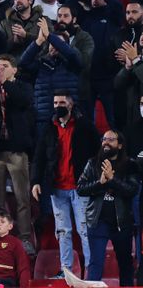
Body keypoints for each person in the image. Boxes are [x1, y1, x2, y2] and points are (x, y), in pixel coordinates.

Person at [31, 91, 99, 277]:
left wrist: (93, 179)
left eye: (61, 102)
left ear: (70, 104)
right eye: (54, 102)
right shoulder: (49, 127)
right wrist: (36, 181)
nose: (57, 105)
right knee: (63, 231)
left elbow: (97, 152)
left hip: (81, 188)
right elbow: (39, 156)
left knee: (85, 231)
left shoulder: (84, 126)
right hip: (57, 188)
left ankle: (92, 271)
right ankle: (66, 270)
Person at [0, 54, 36, 255]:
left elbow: (24, 101)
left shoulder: (23, 87)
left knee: (22, 198)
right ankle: (1, 238)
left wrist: (7, 85)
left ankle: (25, 239)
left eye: (4, 66)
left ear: (14, 69)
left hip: (17, 151)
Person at [77, 130, 139, 285]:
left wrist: (112, 179)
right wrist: (100, 182)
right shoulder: (92, 163)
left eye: (111, 139)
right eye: (104, 139)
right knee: (95, 264)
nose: (106, 142)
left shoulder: (130, 165)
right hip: (97, 221)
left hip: (122, 223)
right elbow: (80, 188)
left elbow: (132, 190)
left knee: (125, 264)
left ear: (120, 144)